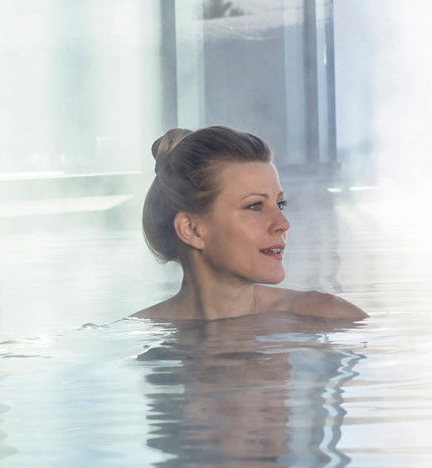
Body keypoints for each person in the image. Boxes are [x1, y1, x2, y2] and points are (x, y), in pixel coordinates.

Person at [134, 126, 366, 323]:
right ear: (192, 229)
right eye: (255, 206)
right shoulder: (137, 337)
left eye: (280, 204)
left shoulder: (327, 319)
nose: (283, 224)